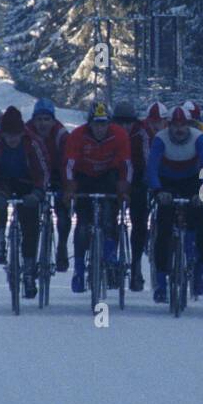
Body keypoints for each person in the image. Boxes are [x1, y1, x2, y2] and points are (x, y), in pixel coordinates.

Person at [0, 106, 51, 298]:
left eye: (15, 135)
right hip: (3, 182)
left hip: (27, 183)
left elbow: (43, 170)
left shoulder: (32, 143)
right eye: (8, 136)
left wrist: (37, 193)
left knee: (30, 225)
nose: (12, 140)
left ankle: (28, 268)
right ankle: (0, 241)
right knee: (0, 202)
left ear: (21, 132)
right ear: (3, 133)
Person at [147, 106, 203, 303]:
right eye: (174, 125)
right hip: (167, 183)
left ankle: (200, 269)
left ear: (189, 125)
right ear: (168, 125)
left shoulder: (198, 137)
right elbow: (151, 167)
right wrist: (158, 191)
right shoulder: (160, 138)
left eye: (183, 125)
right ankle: (160, 281)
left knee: (201, 223)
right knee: (164, 229)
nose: (179, 129)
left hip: (192, 181)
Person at [63, 102, 131, 293]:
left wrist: (123, 189)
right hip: (84, 177)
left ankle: (110, 256)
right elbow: (69, 165)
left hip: (109, 177)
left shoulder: (119, 135)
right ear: (89, 123)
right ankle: (78, 269)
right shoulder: (78, 135)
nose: (100, 128)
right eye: (96, 123)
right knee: (83, 224)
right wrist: (69, 190)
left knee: (110, 218)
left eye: (104, 123)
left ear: (109, 123)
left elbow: (127, 165)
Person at [26, 98, 72, 272]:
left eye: (47, 119)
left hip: (57, 174)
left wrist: (67, 187)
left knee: (63, 212)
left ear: (53, 120)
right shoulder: (26, 132)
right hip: (35, 175)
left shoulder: (61, 135)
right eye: (39, 119)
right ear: (33, 120)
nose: (43, 124)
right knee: (31, 213)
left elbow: (68, 162)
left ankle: (61, 246)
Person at [112, 98, 151, 292]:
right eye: (120, 122)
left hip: (136, 179)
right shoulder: (109, 132)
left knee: (140, 222)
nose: (125, 126)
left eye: (128, 122)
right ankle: (109, 259)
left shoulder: (141, 132)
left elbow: (146, 158)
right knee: (108, 218)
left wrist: (144, 183)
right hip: (114, 179)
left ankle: (136, 265)